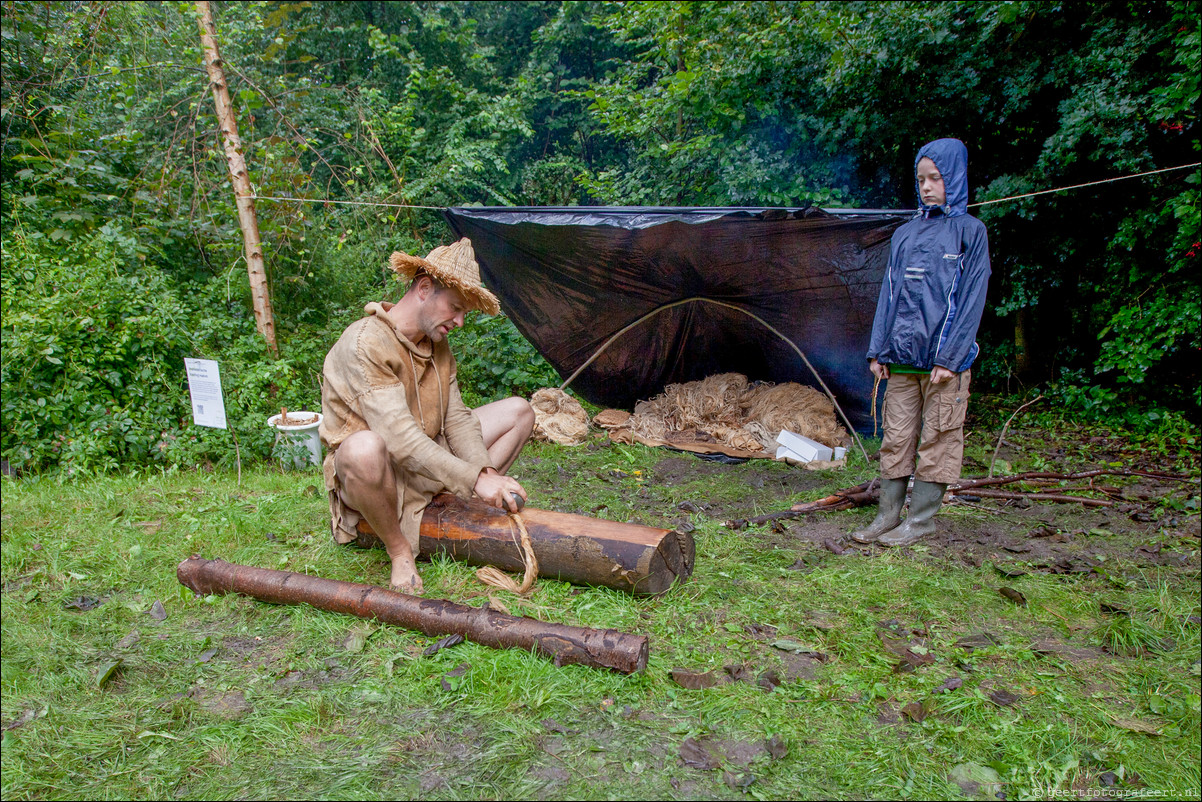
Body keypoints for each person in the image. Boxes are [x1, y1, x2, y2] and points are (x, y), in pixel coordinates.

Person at [319, 238, 535, 593]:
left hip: (426, 459)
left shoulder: (436, 342)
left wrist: (485, 473)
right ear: (423, 289)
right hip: (380, 473)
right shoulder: (366, 343)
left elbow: (457, 419)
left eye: (465, 312)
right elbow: (399, 439)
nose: (460, 322)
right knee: (363, 449)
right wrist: (476, 480)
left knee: (519, 412)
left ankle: (456, 505)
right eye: (455, 308)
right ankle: (399, 549)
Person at [851, 137, 991, 547]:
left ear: (955, 179)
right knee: (895, 438)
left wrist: (950, 357)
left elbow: (972, 299)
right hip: (900, 362)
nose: (927, 186)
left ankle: (921, 522)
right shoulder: (905, 234)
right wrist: (878, 349)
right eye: (921, 179)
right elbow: (889, 293)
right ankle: (887, 517)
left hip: (943, 366)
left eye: (936, 178)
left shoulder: (970, 232)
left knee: (938, 440)